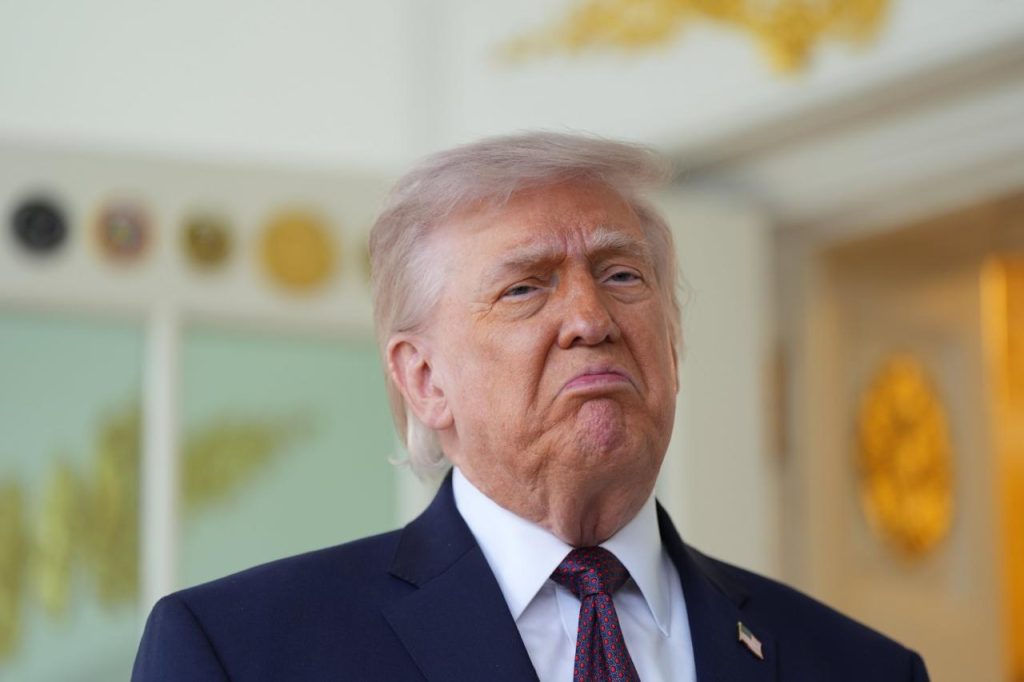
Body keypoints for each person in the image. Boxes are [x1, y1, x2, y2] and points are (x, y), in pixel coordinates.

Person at [132, 132, 930, 681]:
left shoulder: (856, 667)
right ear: (423, 381)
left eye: (622, 275)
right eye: (525, 287)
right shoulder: (245, 653)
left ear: (675, 347)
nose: (590, 319)